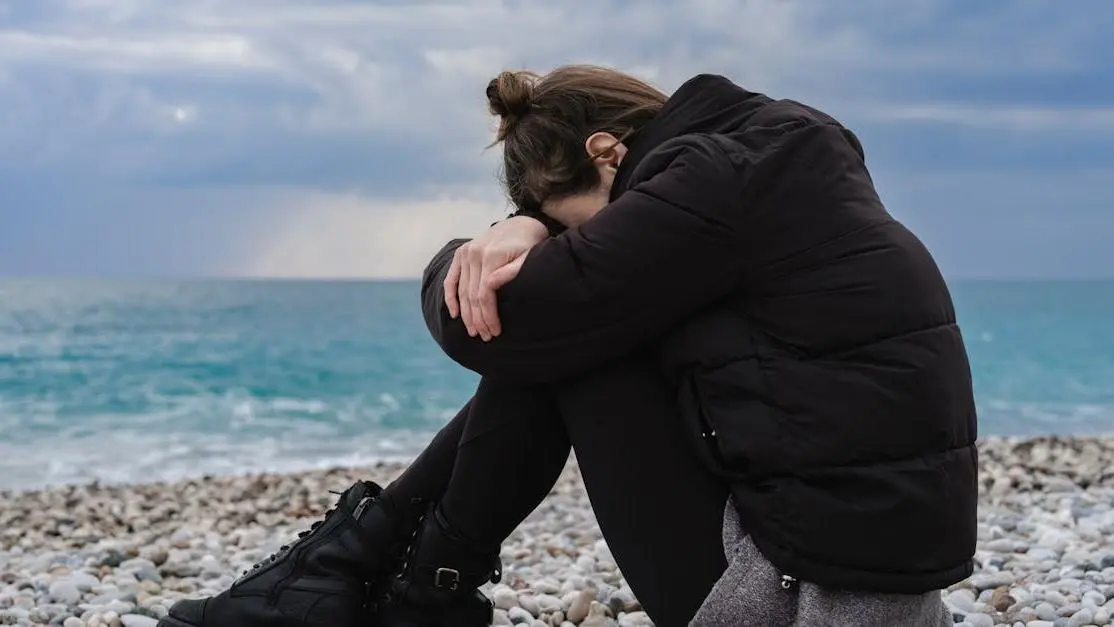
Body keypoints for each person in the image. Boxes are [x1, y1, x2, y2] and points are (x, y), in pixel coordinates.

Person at [159, 65, 978, 627]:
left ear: (606, 152)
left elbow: (514, 326)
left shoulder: (713, 181)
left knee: (570, 345)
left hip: (808, 599)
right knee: (581, 331)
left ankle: (381, 581)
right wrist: (530, 223)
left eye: (570, 225)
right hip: (859, 574)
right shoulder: (763, 155)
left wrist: (468, 257)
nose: (581, 241)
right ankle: (387, 582)